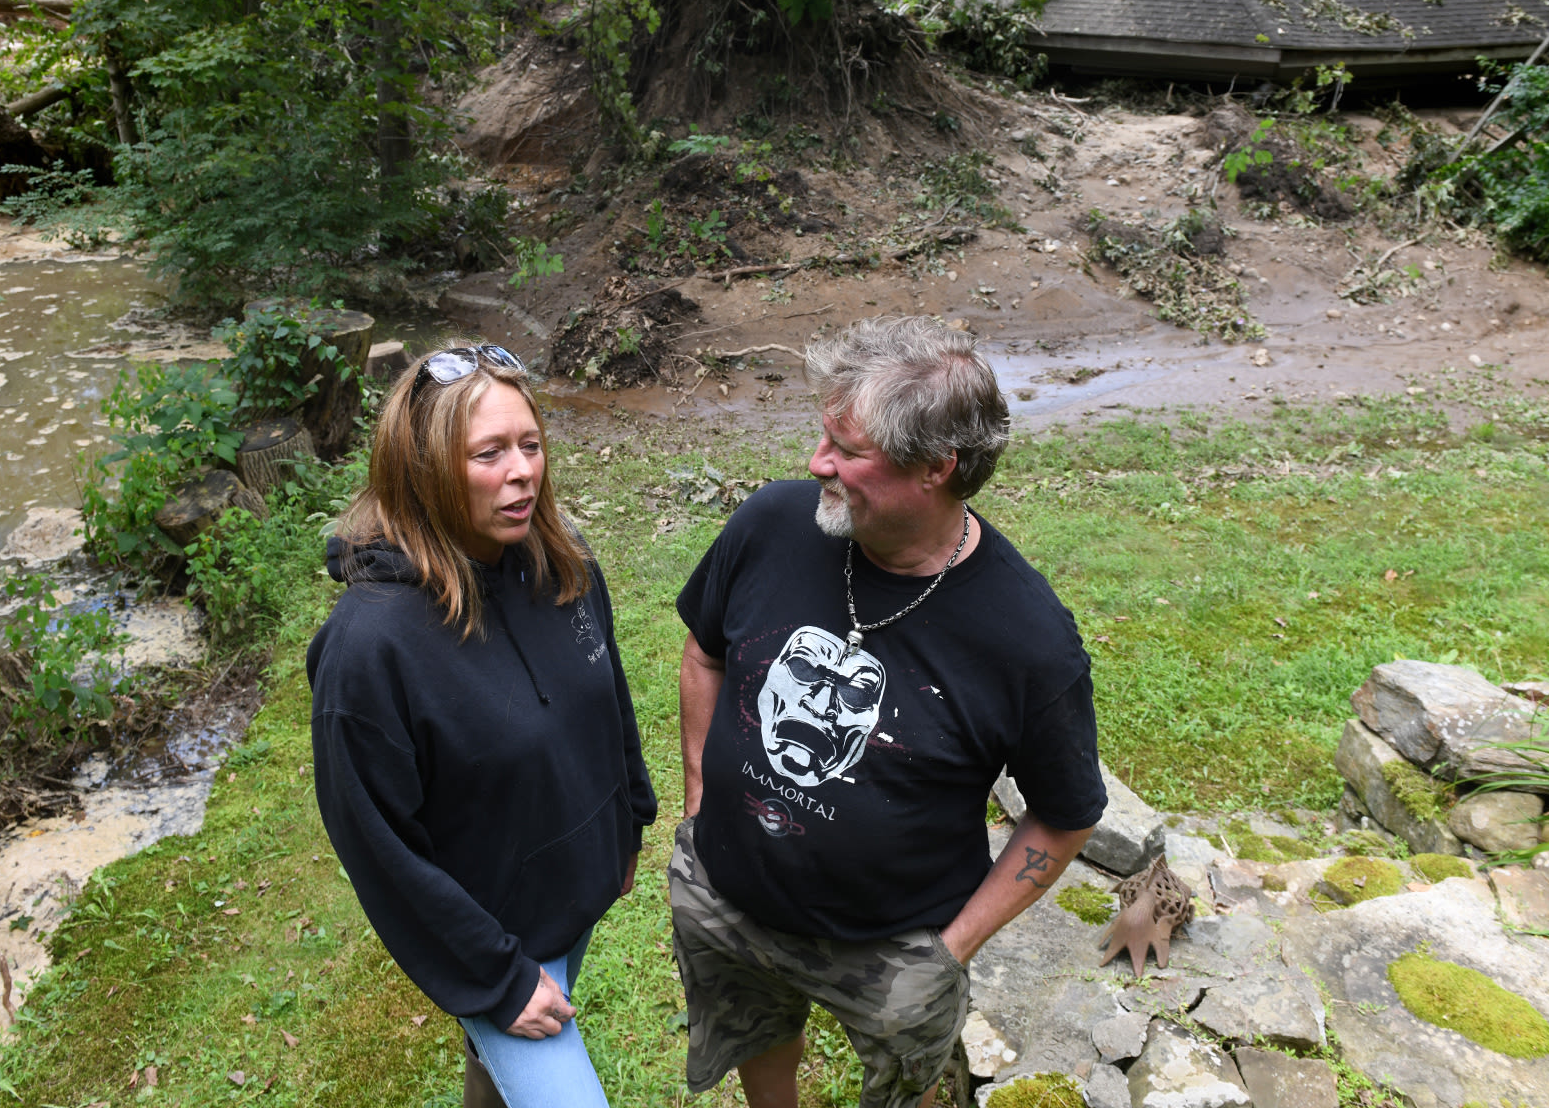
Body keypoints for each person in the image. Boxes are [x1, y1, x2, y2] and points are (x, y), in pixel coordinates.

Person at [672, 316, 1106, 1108]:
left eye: (848, 449)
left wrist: (949, 952)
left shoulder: (1028, 641)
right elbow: (704, 654)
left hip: (897, 946)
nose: (817, 463)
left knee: (906, 1087)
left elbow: (1066, 814)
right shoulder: (772, 524)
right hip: (727, 897)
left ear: (936, 468)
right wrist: (701, 797)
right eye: (822, 436)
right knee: (757, 1033)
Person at [308, 344, 656, 1108]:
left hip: (572, 898)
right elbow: (378, 845)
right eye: (489, 453)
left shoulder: (562, 562)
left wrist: (628, 820)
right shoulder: (370, 647)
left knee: (500, 1077)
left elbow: (609, 700)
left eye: (529, 445)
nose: (523, 470)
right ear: (424, 468)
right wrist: (496, 980)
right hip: (493, 944)